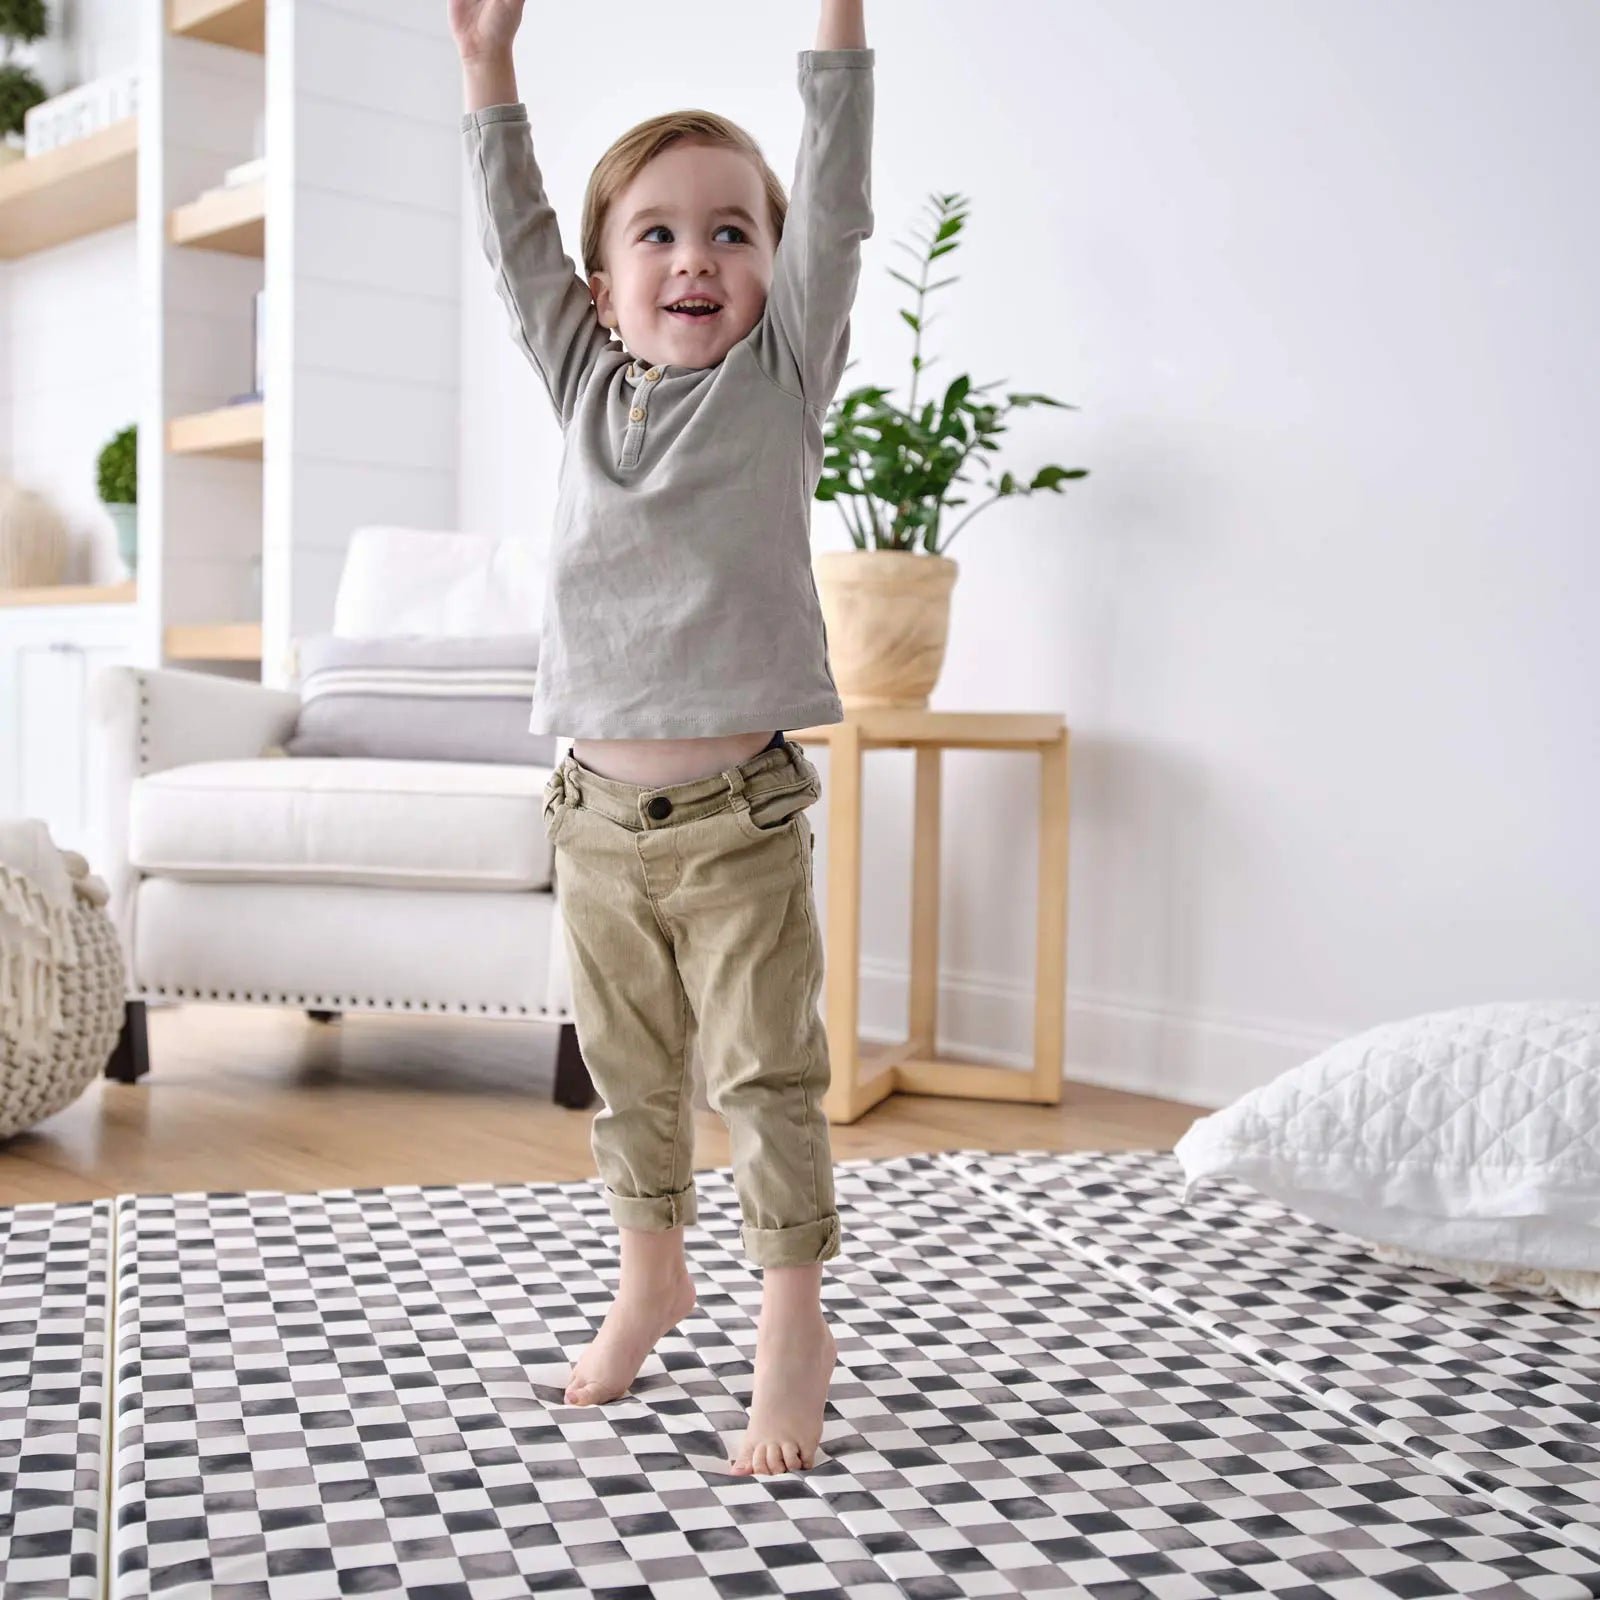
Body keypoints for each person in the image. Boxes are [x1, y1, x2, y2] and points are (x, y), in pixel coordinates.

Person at [450, 0, 873, 1476]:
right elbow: (509, 236)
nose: (698, 259)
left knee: (764, 1087)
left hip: (738, 828)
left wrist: (837, 24)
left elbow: (830, 181)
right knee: (629, 1085)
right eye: (658, 235)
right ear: (600, 281)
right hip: (592, 827)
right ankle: (652, 1278)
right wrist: (487, 67)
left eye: (733, 235)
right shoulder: (582, 389)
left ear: (777, 271)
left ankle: (790, 1330)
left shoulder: (776, 384)